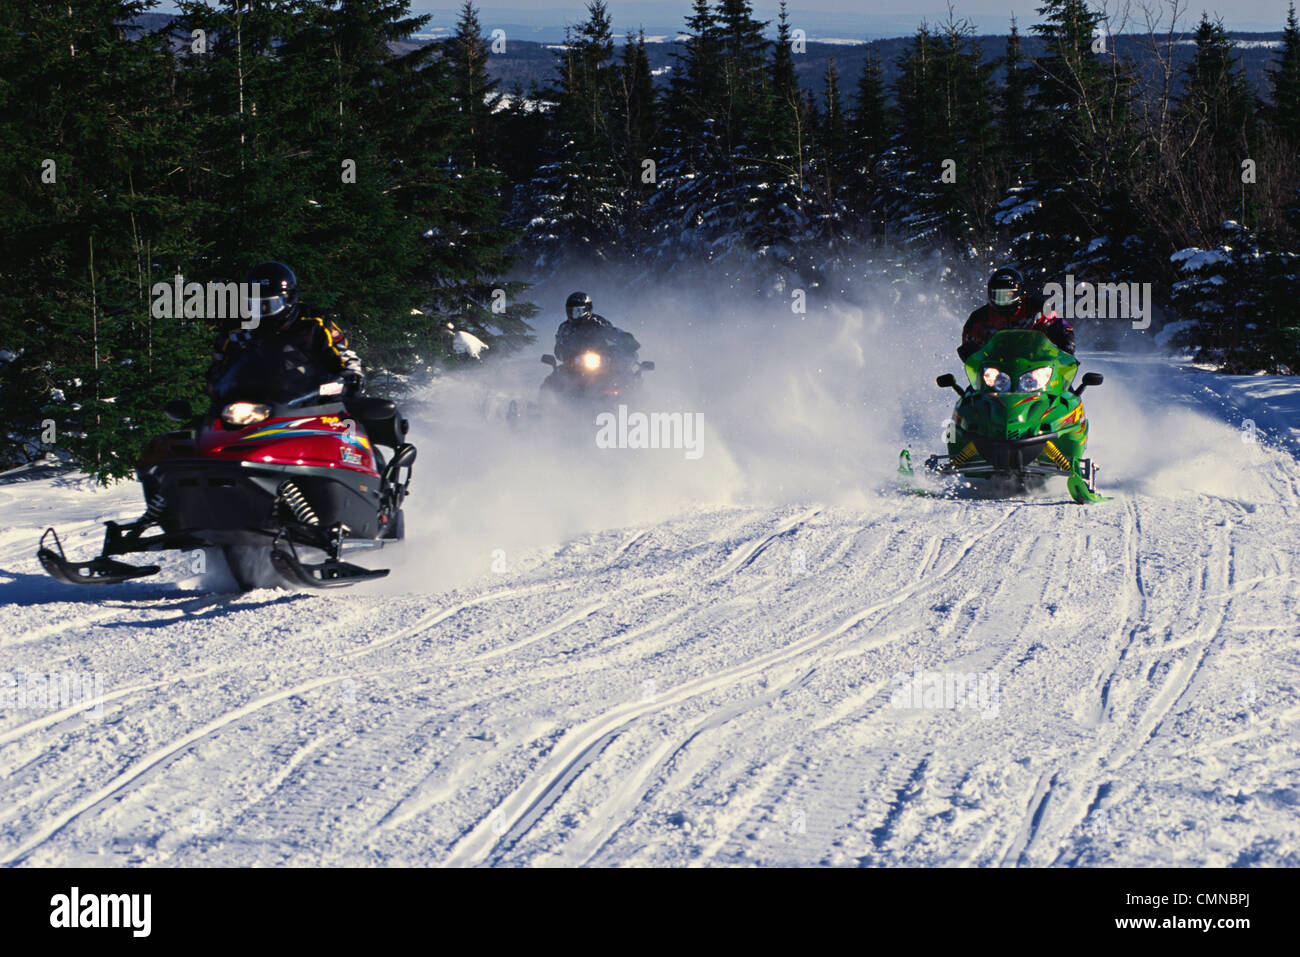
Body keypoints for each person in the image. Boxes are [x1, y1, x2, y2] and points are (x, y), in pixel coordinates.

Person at [207, 261, 364, 397]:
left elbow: (342, 353)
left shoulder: (313, 322)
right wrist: (217, 386)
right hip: (252, 403)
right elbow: (220, 366)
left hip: (311, 398)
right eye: (255, 305)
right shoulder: (238, 328)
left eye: (270, 305)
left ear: (289, 299)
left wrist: (352, 375)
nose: (263, 311)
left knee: (349, 415)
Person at [959, 267, 1075, 361]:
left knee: (1062, 384)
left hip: (1037, 363)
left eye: (1008, 295)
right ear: (990, 294)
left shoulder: (1037, 309)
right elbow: (969, 341)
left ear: (1019, 293)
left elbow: (1057, 324)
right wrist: (970, 352)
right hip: (995, 367)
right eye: (998, 296)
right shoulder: (979, 317)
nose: (1004, 300)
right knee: (975, 388)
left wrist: (1066, 341)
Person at [553, 291, 640, 364]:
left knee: (620, 374)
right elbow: (559, 347)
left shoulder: (597, 322)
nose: (575, 315)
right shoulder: (565, 327)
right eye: (572, 312)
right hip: (573, 366)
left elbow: (613, 332)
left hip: (600, 363)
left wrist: (627, 339)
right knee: (555, 377)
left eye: (579, 311)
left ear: (588, 309)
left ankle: (630, 383)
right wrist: (566, 355)